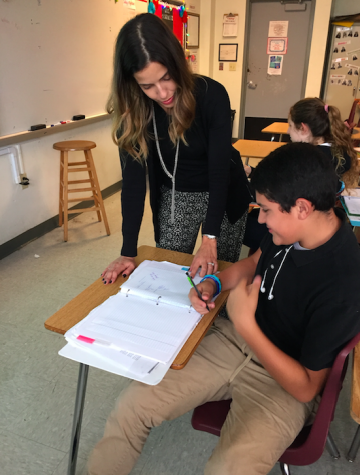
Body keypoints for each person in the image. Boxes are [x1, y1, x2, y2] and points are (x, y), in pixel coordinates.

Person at [87, 143, 360, 475]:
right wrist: (215, 283)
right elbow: (256, 262)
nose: (260, 219)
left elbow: (305, 388)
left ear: (302, 208)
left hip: (283, 380)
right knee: (130, 407)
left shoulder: (345, 281)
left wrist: (247, 325)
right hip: (232, 342)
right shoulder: (290, 232)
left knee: (229, 469)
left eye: (265, 210)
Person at [101, 13, 252, 284]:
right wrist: (127, 252)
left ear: (177, 63)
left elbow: (220, 172)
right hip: (176, 195)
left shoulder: (211, 94)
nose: (162, 93)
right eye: (147, 86)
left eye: (166, 77)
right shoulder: (132, 112)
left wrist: (210, 236)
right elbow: (134, 185)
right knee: (168, 276)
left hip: (224, 192)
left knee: (219, 277)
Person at [287, 97, 359, 193]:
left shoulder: (306, 160)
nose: (288, 131)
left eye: (290, 126)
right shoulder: (339, 151)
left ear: (303, 128)